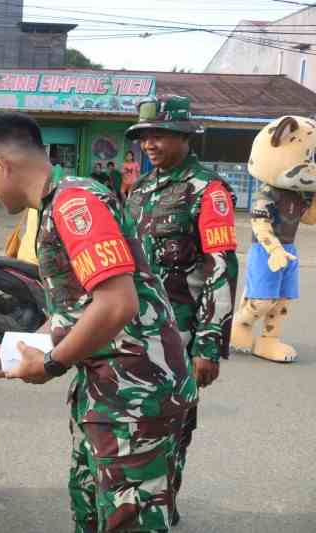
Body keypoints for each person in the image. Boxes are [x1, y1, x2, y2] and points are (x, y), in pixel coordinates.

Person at [0, 113, 196, 533]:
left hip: (135, 395)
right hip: (108, 394)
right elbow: (75, 311)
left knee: (128, 522)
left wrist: (52, 363)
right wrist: (5, 353)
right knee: (92, 510)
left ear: (1, 163)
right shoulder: (58, 204)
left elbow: (117, 304)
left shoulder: (75, 203)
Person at [124, 95, 239, 525]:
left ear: (184, 135)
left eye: (159, 134)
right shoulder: (139, 189)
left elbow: (221, 269)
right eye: (144, 136)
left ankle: (164, 510)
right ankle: (135, 507)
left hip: (181, 338)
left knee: (173, 431)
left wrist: (209, 344)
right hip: (134, 333)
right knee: (136, 429)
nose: (149, 144)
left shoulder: (209, 191)